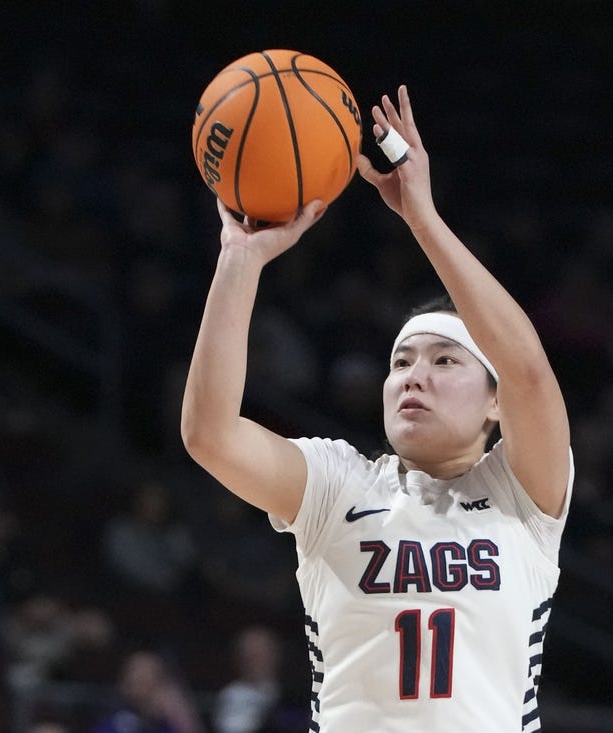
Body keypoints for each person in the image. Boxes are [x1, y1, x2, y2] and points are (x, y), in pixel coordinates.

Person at [181, 85, 572, 733]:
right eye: (400, 361)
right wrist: (239, 260)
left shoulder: (522, 492)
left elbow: (529, 369)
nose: (413, 375)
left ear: (493, 401)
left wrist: (423, 219)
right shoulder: (337, 482)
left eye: (444, 360)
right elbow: (209, 434)